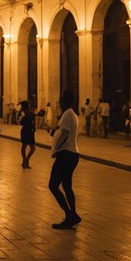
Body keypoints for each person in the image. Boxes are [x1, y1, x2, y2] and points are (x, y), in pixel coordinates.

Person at [49, 90, 81, 229]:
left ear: (65, 101)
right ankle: (73, 214)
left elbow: (64, 133)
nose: (60, 103)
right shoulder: (73, 114)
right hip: (73, 153)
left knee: (53, 185)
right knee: (67, 186)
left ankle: (69, 214)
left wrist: (56, 148)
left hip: (66, 154)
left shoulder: (67, 114)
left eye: (61, 100)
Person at [18, 100, 36, 169]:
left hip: (30, 131)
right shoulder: (23, 112)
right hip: (26, 130)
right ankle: (25, 161)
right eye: (28, 104)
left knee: (32, 147)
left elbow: (33, 122)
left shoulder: (29, 112)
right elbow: (21, 122)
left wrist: (34, 128)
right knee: (24, 146)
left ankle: (26, 160)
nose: (29, 105)